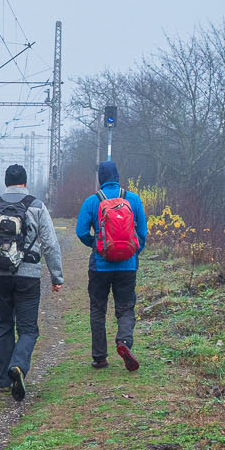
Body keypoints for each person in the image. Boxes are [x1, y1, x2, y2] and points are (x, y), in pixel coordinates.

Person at [0, 162, 63, 401]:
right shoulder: (36, 206)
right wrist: (56, 277)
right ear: (25, 182)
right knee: (28, 329)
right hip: (28, 277)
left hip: (0, 275)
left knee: (3, 325)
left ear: (6, 182)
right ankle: (19, 365)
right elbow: (51, 244)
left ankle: (3, 380)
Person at [75, 159, 149, 371]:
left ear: (100, 179)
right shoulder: (133, 199)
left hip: (100, 265)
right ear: (117, 176)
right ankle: (124, 343)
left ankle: (99, 357)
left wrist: (97, 246)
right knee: (125, 308)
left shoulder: (92, 201)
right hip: (127, 265)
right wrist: (133, 252)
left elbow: (81, 232)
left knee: (98, 309)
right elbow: (142, 233)